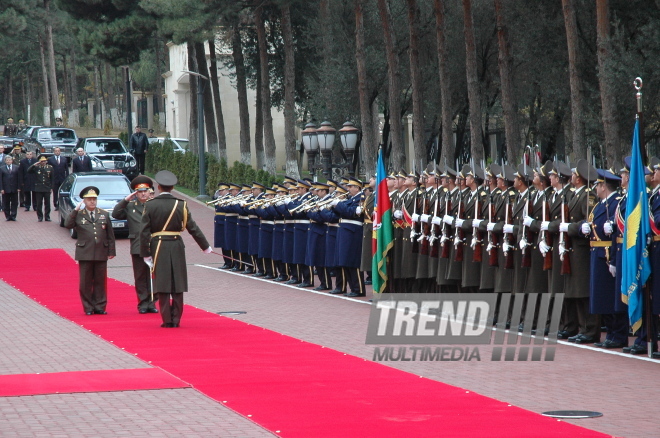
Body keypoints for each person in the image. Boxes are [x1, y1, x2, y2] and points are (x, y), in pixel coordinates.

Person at [139, 170, 212, 328]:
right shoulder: (181, 205)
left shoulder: (150, 205)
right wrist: (205, 246)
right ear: (172, 187)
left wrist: (145, 254)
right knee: (177, 283)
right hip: (176, 245)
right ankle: (176, 319)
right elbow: (193, 228)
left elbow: (144, 232)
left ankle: (166, 320)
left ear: (158, 187)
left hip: (158, 245)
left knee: (163, 284)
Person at [64, 186, 116, 315]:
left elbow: (110, 234)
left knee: (100, 281)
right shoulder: (78, 214)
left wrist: (111, 251)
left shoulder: (103, 214)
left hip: (101, 252)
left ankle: (99, 306)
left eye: (94, 199)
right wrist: (75, 210)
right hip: (85, 252)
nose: (92, 201)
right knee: (85, 282)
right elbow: (67, 224)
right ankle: (88, 307)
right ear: (84, 201)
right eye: (89, 199)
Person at [113, 176, 158, 314]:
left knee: (154, 276)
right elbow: (116, 213)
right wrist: (126, 200)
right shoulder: (131, 206)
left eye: (145, 191)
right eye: (139, 191)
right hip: (138, 246)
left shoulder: (155, 206)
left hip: (154, 245)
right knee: (140, 276)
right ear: (135, 193)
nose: (143, 193)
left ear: (149, 191)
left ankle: (152, 302)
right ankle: (143, 303)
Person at [28, 155, 54, 222]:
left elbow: (52, 178)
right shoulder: (37, 168)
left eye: (44, 161)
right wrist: (34, 164)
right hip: (39, 188)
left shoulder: (50, 168)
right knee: (39, 203)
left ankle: (47, 216)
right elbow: (29, 171)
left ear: (46, 161)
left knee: (47, 203)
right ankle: (40, 217)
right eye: (42, 161)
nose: (43, 163)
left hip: (47, 188)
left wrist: (51, 187)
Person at [0, 155, 21, 220]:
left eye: (10, 160)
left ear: (12, 161)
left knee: (14, 202)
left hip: (14, 188)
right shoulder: (1, 168)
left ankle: (13, 215)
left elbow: (19, 178)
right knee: (6, 203)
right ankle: (8, 216)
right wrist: (1, 188)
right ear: (5, 161)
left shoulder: (16, 168)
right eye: (7, 160)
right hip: (6, 189)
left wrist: (19, 187)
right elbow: (0, 179)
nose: (8, 161)